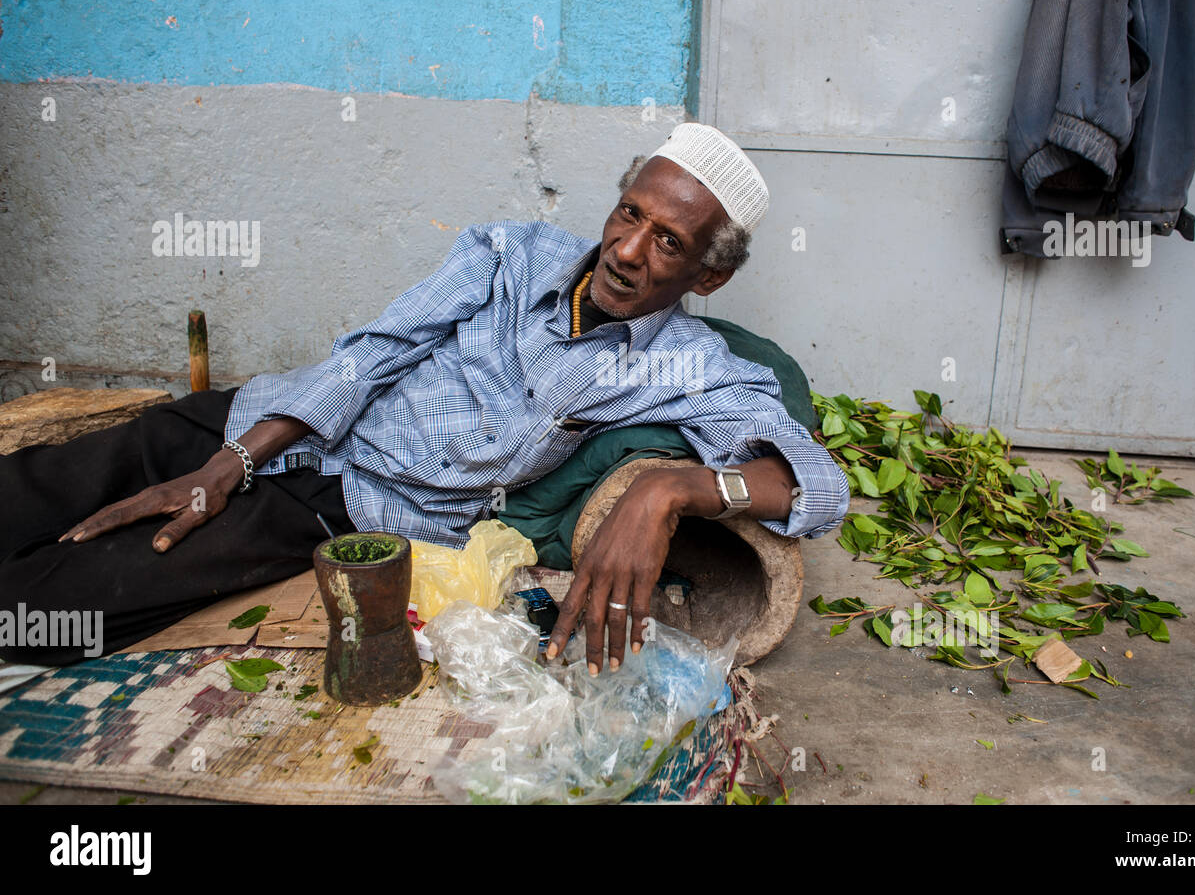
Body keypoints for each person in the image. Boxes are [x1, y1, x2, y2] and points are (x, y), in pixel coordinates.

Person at [0, 123, 849, 672]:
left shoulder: (690, 365)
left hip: (340, 501)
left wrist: (677, 488)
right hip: (278, 419)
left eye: (667, 243)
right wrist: (228, 459)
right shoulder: (508, 253)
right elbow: (376, 350)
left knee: (69, 598)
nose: (627, 251)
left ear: (711, 272)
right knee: (52, 481)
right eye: (628, 215)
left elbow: (817, 484)